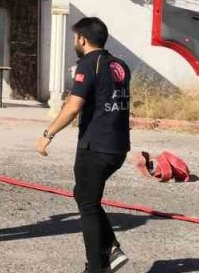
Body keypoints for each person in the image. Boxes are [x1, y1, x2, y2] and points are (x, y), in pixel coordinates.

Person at [36, 17, 131, 273]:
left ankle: (98, 266)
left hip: (95, 147)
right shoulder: (118, 64)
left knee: (87, 206)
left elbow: (73, 107)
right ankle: (111, 247)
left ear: (82, 39)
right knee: (85, 196)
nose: (74, 43)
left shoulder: (88, 64)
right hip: (118, 146)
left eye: (74, 38)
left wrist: (49, 133)